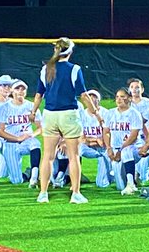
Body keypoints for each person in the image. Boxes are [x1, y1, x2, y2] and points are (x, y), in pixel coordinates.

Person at [30, 36, 99, 204]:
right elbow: (83, 95)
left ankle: (43, 193)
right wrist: (95, 111)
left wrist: (33, 111)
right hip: (68, 114)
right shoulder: (74, 69)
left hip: (49, 114)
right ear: (70, 51)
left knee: (48, 156)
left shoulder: (46, 68)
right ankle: (75, 193)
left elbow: (39, 94)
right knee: (73, 156)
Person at [0, 81, 42, 185]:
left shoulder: (31, 106)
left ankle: (35, 176)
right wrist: (17, 139)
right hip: (10, 143)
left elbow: (40, 128)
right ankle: (27, 173)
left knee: (35, 143)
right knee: (16, 181)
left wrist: (32, 134)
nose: (20, 91)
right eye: (17, 89)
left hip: (26, 141)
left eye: (23, 89)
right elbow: (0, 131)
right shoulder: (5, 108)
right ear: (12, 91)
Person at [104, 87, 144, 193]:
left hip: (133, 148)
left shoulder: (134, 113)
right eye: (117, 97)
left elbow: (133, 136)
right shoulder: (110, 113)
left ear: (130, 98)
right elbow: (106, 131)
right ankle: (134, 175)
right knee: (120, 186)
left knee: (126, 151)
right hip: (115, 149)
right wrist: (108, 148)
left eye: (122, 96)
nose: (119, 99)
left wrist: (120, 151)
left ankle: (131, 184)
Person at [78, 89, 112, 187]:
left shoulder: (106, 113)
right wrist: (95, 140)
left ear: (99, 100)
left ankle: (111, 175)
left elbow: (108, 135)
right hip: (88, 146)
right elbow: (81, 138)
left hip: (103, 148)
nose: (92, 99)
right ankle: (74, 175)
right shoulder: (82, 114)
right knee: (76, 149)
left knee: (102, 184)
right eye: (89, 97)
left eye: (94, 97)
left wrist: (97, 141)